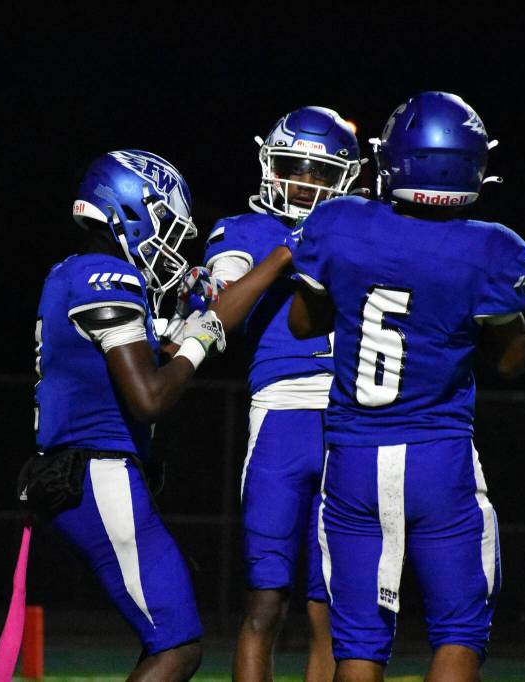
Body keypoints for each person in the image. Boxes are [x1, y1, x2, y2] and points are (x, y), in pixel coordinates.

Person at [285, 92, 525, 682]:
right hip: (436, 458)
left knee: (358, 643)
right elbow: (511, 361)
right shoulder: (491, 249)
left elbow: (301, 323)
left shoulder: (340, 224)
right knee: (459, 632)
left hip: (352, 459)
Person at [21, 149, 226, 682]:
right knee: (177, 647)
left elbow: (129, 361)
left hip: (83, 471)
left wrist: (179, 325)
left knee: (170, 640)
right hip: (97, 473)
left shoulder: (72, 271)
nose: (172, 248)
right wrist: (201, 340)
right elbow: (149, 398)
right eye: (169, 229)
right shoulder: (106, 274)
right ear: (131, 210)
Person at [183, 106, 362, 682]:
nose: (304, 183)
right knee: (264, 602)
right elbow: (219, 312)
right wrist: (288, 251)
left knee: (331, 608)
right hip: (280, 419)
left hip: (353, 418)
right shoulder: (244, 231)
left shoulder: (362, 228)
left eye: (319, 173)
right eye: (292, 168)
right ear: (268, 166)